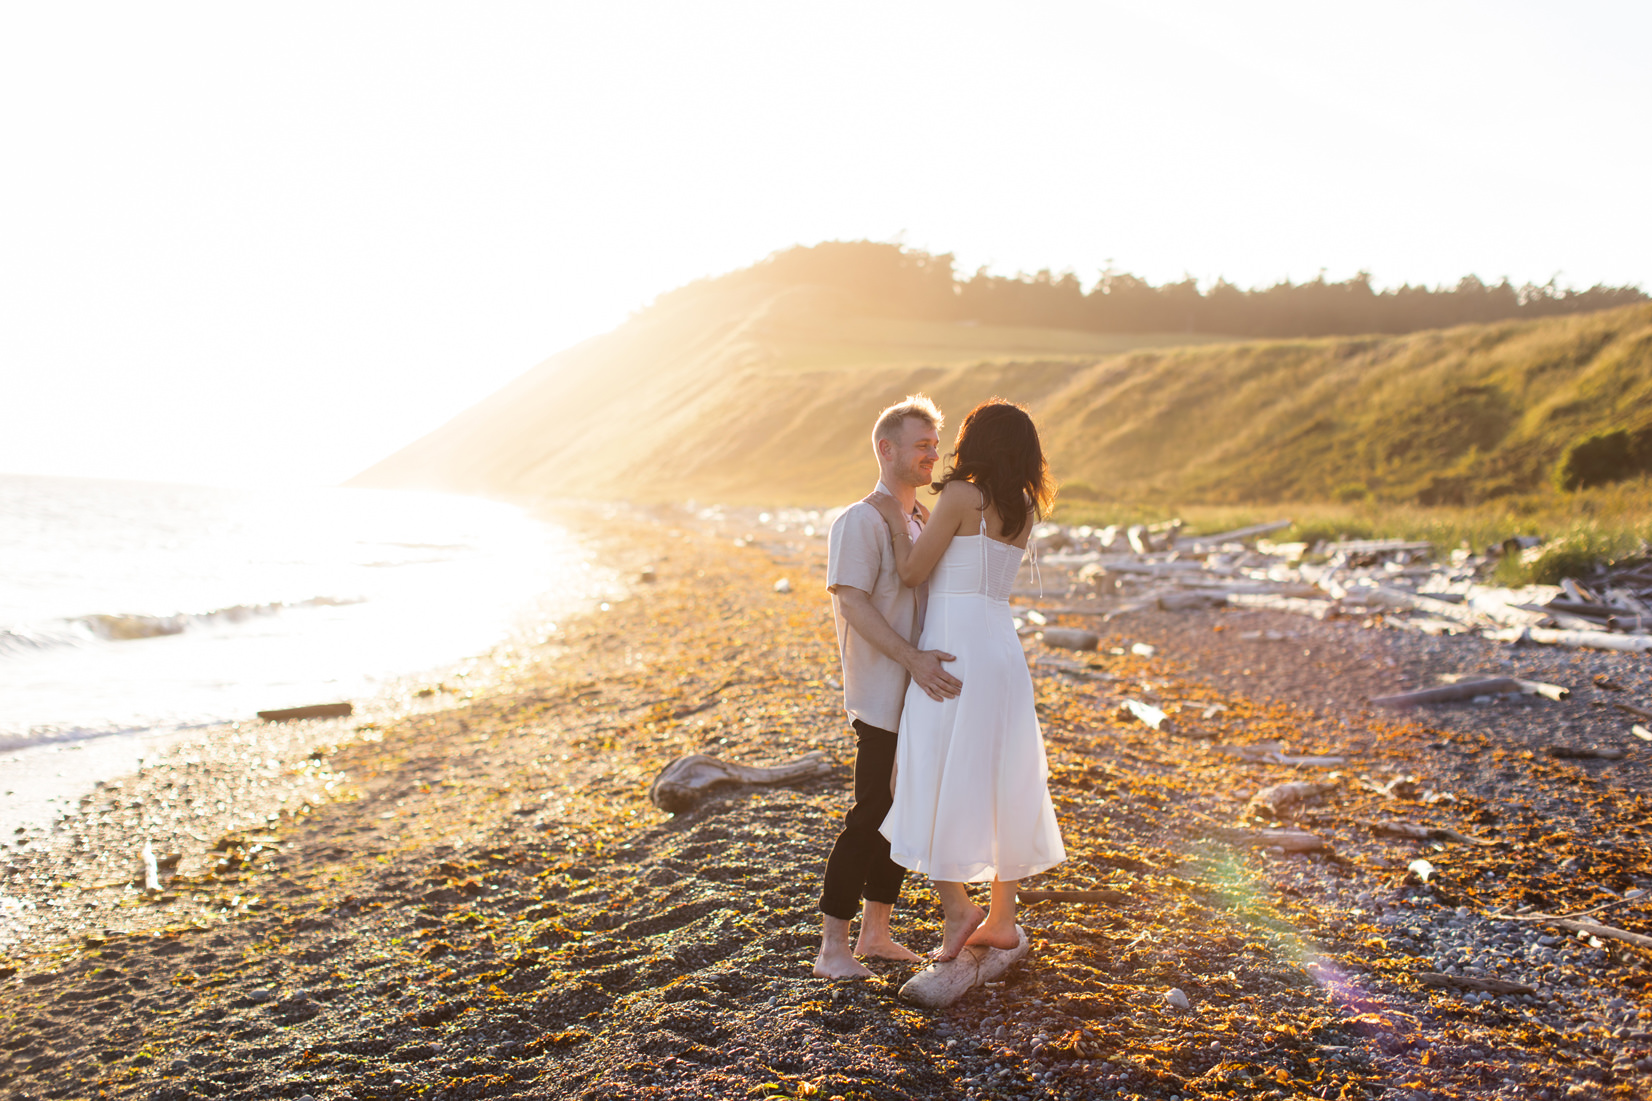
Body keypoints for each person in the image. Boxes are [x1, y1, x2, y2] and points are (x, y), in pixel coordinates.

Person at [868, 398, 1066, 961]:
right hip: (1001, 649)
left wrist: (892, 519)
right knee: (1005, 773)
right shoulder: (1022, 506)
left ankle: (958, 904)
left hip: (953, 650)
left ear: (978, 443)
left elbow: (911, 572)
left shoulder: (959, 497)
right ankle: (1002, 917)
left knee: (926, 767)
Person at [815, 394, 964, 980]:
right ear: (887, 449)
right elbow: (852, 604)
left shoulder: (925, 519)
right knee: (872, 809)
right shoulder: (860, 520)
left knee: (904, 811)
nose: (933, 455)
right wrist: (912, 658)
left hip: (923, 691)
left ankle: (877, 932)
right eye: (922, 445)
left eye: (935, 444)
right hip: (882, 691)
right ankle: (833, 948)